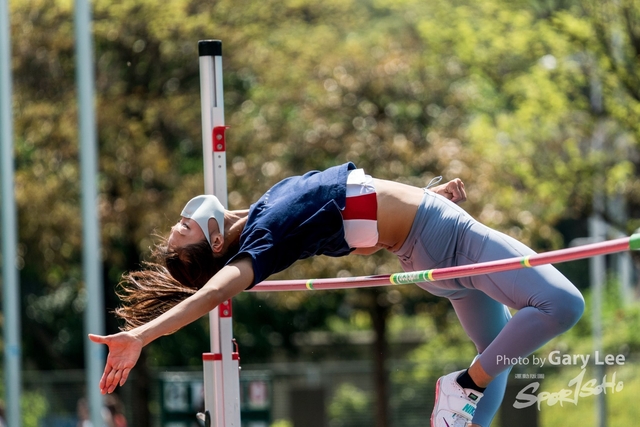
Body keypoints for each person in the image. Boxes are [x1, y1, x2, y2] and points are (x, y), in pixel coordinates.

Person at [89, 162, 584, 427]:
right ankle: (465, 384)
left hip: (427, 253)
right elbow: (213, 291)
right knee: (562, 304)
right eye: (184, 226)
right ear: (214, 240)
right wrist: (141, 335)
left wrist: (424, 194)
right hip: (445, 239)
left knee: (494, 354)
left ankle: (468, 392)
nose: (185, 215)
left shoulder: (264, 214)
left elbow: (364, 206)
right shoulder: (267, 236)